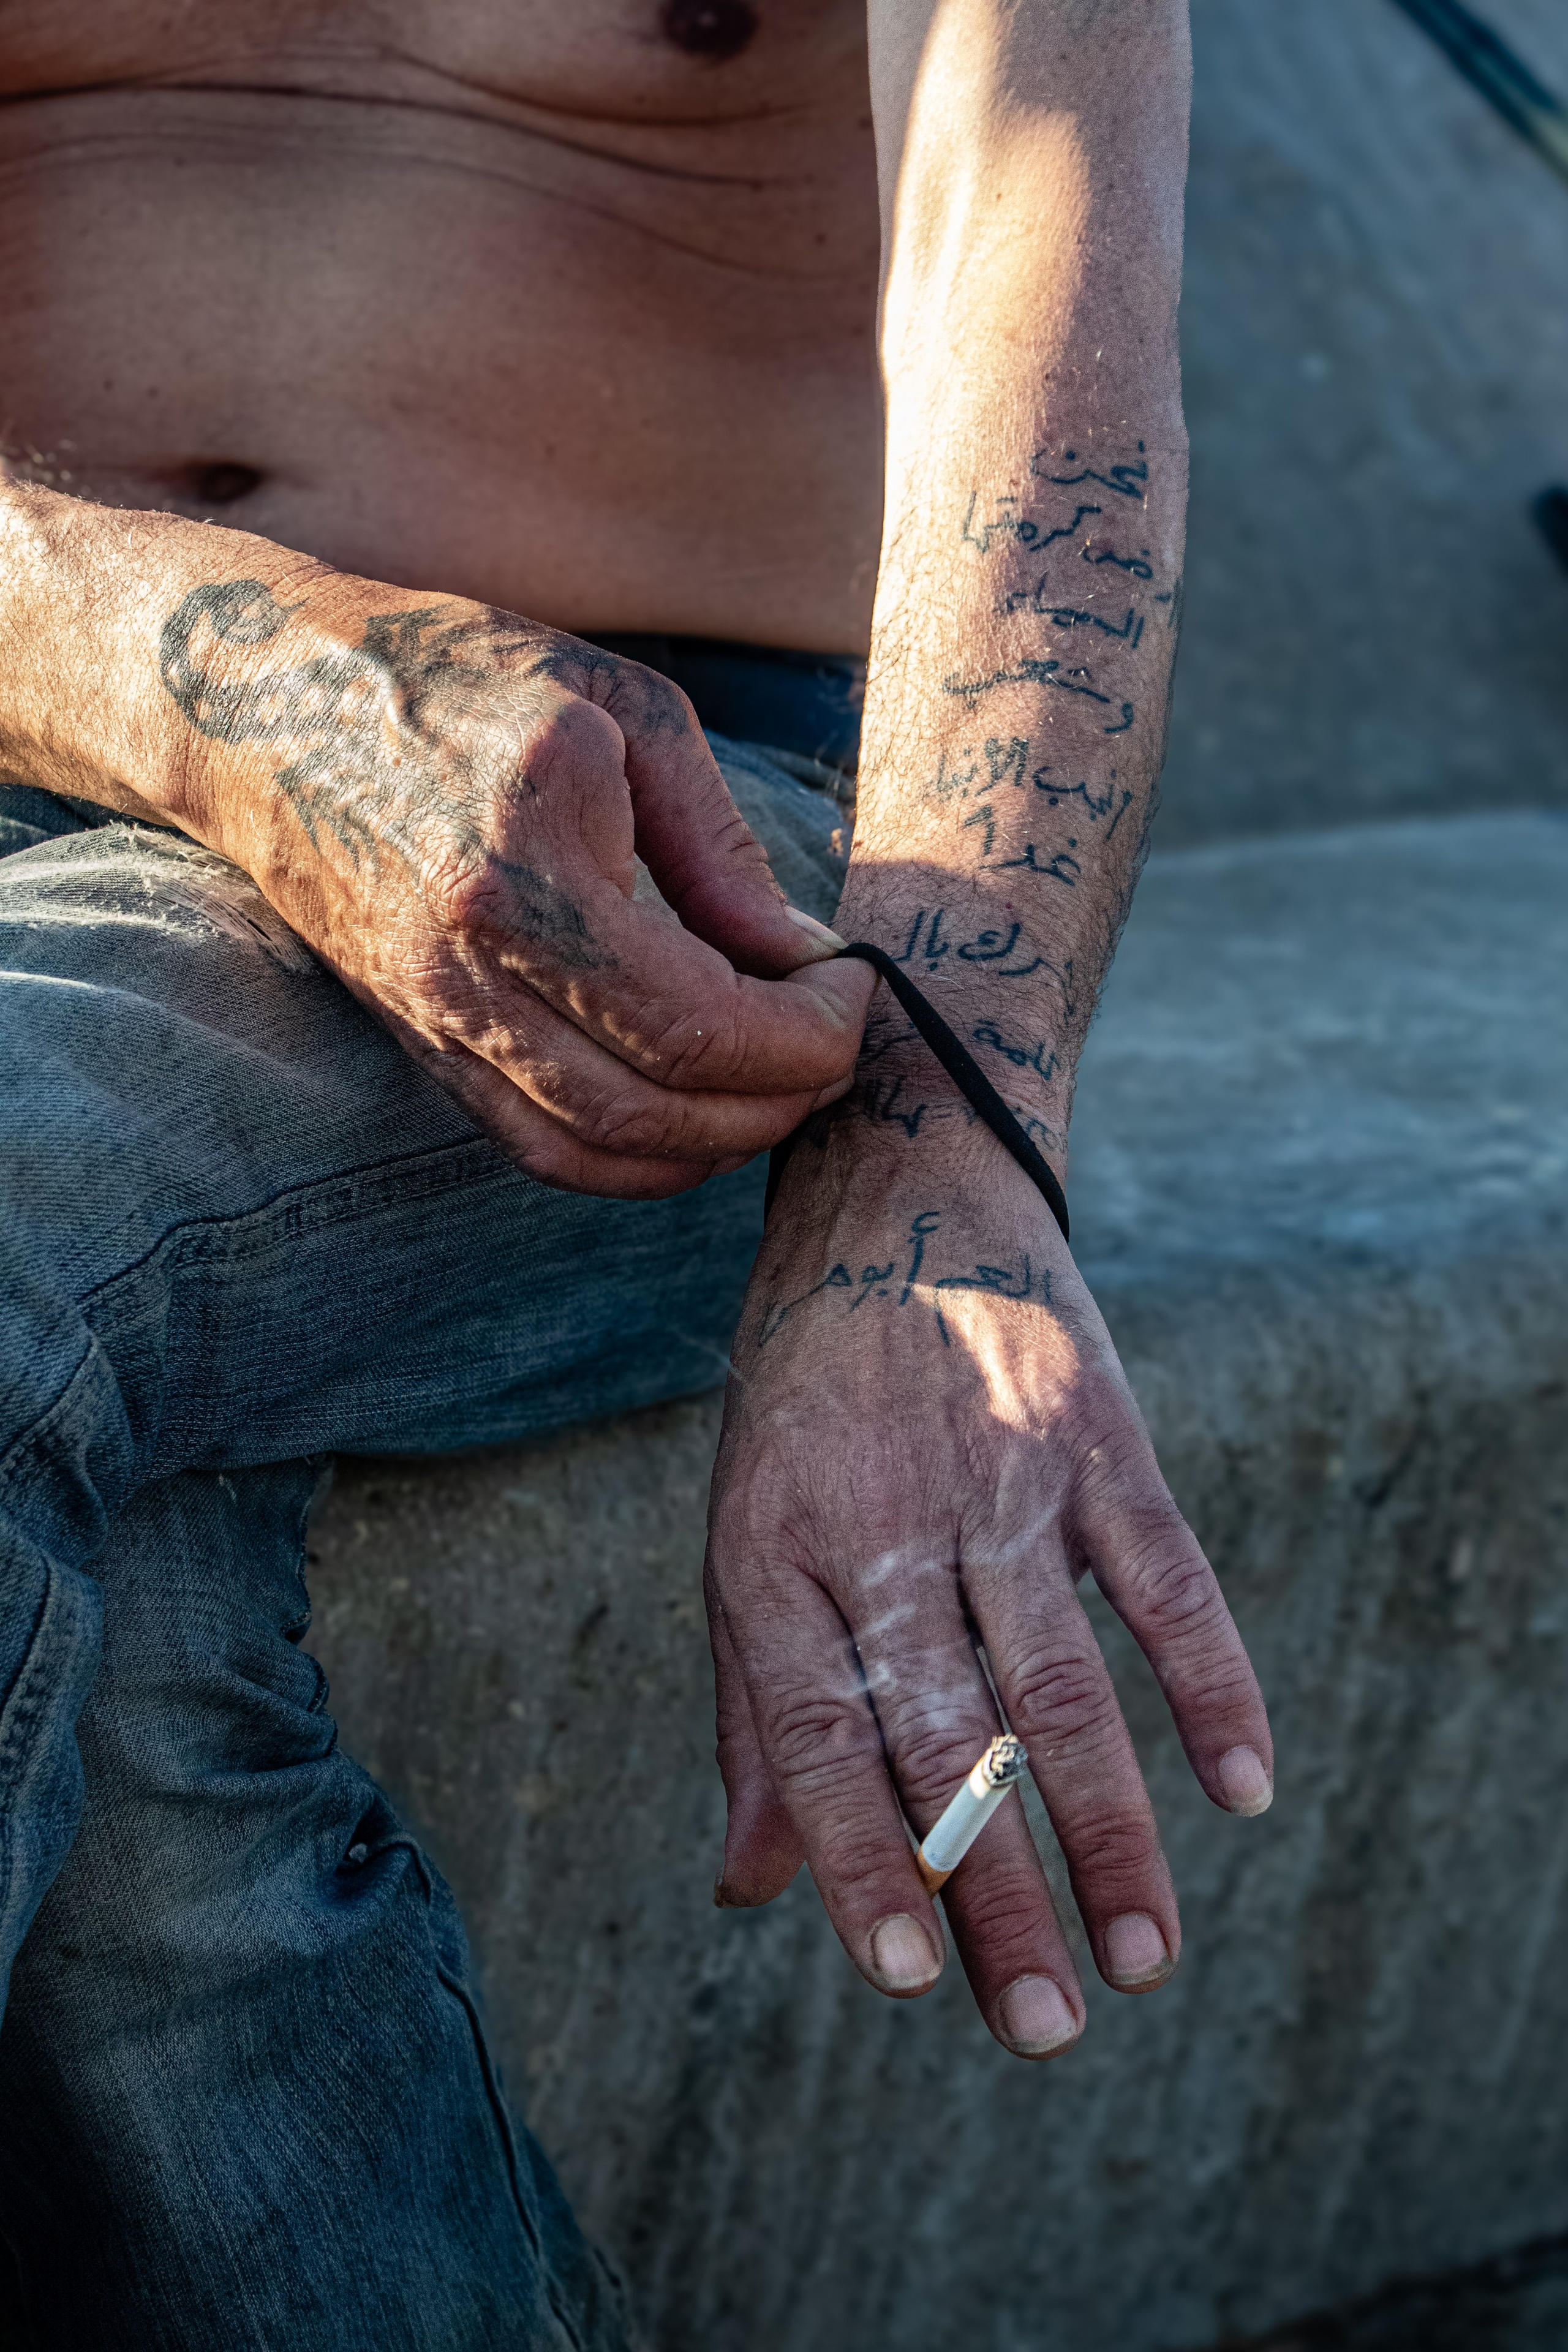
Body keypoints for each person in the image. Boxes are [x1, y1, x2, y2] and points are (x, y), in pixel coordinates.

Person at [0, 1, 1273, 2342]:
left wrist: (924, 1173)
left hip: (674, 841)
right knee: (132, 1741)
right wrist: (202, 678)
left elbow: (1029, 257)